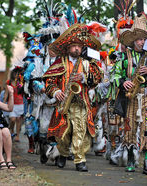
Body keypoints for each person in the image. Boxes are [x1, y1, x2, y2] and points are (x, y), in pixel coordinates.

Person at [43, 23, 104, 172]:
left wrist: (85, 78)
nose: (77, 48)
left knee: (80, 130)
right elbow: (49, 82)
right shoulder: (60, 62)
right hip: (64, 102)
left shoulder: (87, 63)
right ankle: (62, 154)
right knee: (64, 133)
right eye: (74, 46)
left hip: (81, 102)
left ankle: (80, 160)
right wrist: (56, 91)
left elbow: (98, 78)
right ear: (68, 47)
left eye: (79, 46)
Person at [113, 13, 147, 174]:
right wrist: (123, 81)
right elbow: (114, 75)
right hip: (130, 97)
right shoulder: (123, 56)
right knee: (129, 129)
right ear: (133, 41)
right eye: (138, 39)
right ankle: (131, 160)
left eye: (144, 39)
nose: (141, 42)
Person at [7, 68, 24, 142]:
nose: (16, 75)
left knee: (18, 120)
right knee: (12, 119)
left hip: (20, 103)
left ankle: (17, 135)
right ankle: (11, 129)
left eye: (18, 73)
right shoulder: (8, 82)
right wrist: (4, 101)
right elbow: (6, 93)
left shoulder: (21, 82)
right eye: (15, 73)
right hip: (12, 103)